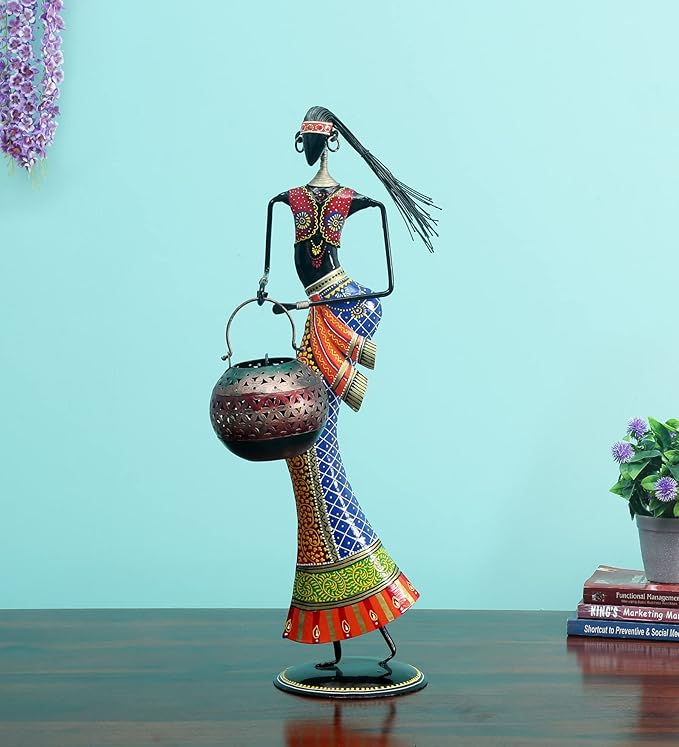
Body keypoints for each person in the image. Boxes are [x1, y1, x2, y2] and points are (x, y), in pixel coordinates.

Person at [258, 106, 437, 666]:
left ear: (328, 141)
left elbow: (384, 284)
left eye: (315, 139)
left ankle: (366, 596)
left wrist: (338, 302)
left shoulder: (353, 201)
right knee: (309, 455)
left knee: (313, 448)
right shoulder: (286, 200)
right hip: (318, 312)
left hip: (339, 308)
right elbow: (271, 275)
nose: (310, 147)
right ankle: (342, 615)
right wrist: (275, 298)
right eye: (304, 140)